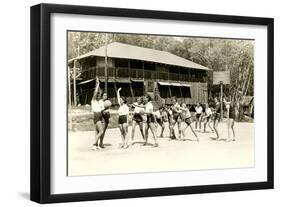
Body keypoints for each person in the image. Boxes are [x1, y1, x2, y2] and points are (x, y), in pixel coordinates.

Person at [91, 78, 104, 150]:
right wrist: (98, 84)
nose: (99, 95)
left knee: (97, 131)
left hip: (99, 116)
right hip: (96, 115)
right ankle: (94, 144)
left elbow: (100, 92)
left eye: (99, 95)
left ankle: (96, 145)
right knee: (101, 131)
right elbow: (96, 92)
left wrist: (98, 86)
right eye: (98, 95)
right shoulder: (93, 100)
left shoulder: (99, 101)